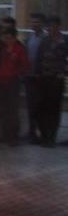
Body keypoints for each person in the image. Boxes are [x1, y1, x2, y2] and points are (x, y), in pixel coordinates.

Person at [35, 17, 67, 147]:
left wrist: (63, 72)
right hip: (44, 78)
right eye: (49, 26)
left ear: (58, 26)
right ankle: (44, 135)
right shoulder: (45, 41)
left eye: (53, 26)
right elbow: (38, 58)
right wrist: (37, 74)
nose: (51, 29)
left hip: (56, 79)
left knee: (54, 109)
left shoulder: (65, 41)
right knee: (41, 108)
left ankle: (51, 137)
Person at [0, 27, 28, 146]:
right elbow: (2, 65)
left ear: (14, 38)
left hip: (13, 82)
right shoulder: (4, 50)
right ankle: (5, 134)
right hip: (3, 81)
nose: (7, 40)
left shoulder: (19, 50)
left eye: (9, 38)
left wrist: (16, 74)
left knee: (13, 110)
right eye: (5, 38)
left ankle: (13, 136)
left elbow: (24, 65)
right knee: (4, 109)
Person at [23, 13, 47, 143]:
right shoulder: (29, 38)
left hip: (40, 78)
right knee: (30, 106)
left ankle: (41, 133)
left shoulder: (45, 38)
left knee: (39, 107)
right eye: (32, 22)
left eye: (37, 22)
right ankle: (31, 132)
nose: (34, 24)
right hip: (29, 77)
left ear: (42, 23)